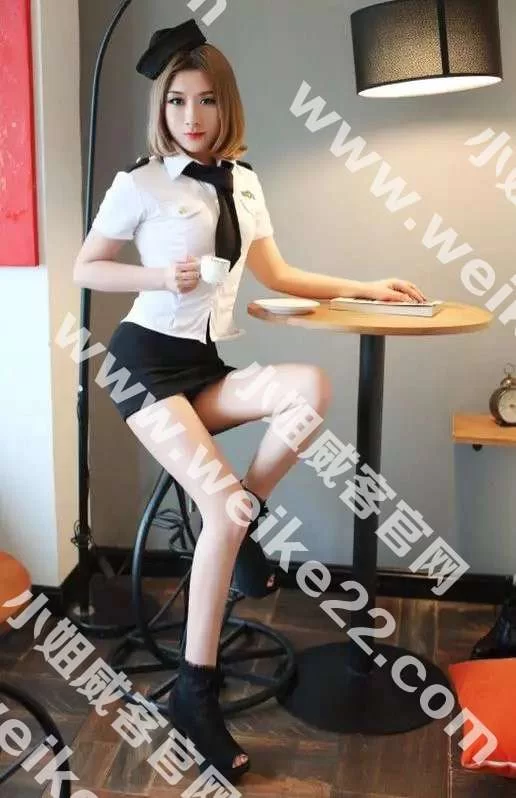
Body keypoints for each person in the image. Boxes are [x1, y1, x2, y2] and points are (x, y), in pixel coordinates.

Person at [73, 19, 427, 783]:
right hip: (141, 367)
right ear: (161, 108)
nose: (191, 116)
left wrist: (369, 285)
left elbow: (280, 274)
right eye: (176, 101)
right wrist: (155, 278)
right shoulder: (141, 183)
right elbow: (88, 266)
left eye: (205, 100)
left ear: (225, 105)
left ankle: (246, 525)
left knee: (310, 388)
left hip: (200, 366)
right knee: (222, 508)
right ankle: (194, 695)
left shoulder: (245, 180)